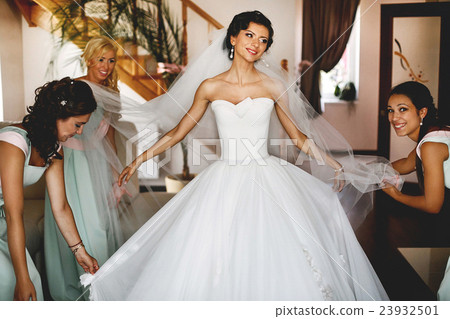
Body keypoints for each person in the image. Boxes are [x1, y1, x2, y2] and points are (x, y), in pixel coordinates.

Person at [78, 11, 396, 301]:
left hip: (268, 176)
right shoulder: (210, 86)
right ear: (233, 37)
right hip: (224, 178)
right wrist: (136, 160)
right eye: (249, 35)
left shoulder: (273, 86)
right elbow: (177, 133)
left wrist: (336, 164)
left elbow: (298, 138)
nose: (256, 44)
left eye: (263, 40)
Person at [44, 36, 131, 301]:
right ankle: (72, 291)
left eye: (111, 60)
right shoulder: (75, 88)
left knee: (99, 225)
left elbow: (109, 137)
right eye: (100, 58)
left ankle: (100, 289)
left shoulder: (113, 93)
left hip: (96, 165)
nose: (105, 65)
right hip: (69, 163)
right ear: (89, 58)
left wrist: (117, 176)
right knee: (73, 222)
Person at [0, 77, 99, 301]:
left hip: (3, 222)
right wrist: (21, 277)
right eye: (78, 124)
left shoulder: (54, 148)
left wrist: (80, 252)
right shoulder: (13, 142)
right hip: (9, 219)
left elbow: (61, 207)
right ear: (57, 115)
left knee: (32, 282)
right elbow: (15, 215)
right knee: (12, 281)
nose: (81, 132)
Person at [382, 81, 450, 242]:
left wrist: (396, 195)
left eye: (403, 109)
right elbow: (407, 163)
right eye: (391, 110)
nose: (394, 117)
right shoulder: (436, 133)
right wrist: (368, 171)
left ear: (422, 112)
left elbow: (432, 205)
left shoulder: (430, 146)